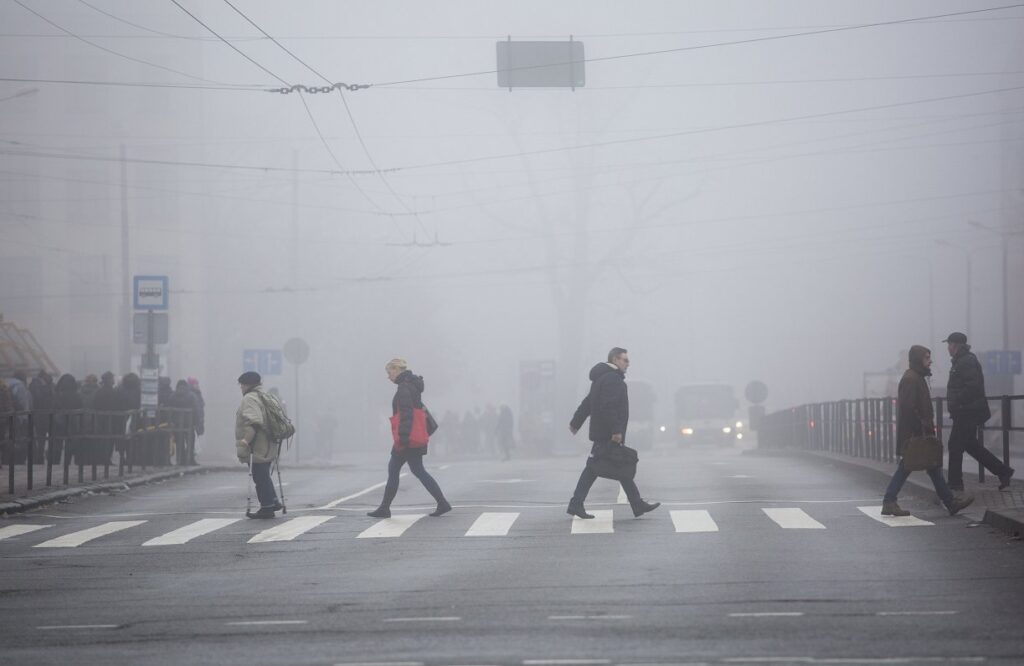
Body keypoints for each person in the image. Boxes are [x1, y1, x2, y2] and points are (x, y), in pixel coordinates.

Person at [567, 347, 660, 520]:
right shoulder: (612, 380)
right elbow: (608, 406)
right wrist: (616, 431)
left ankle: (636, 503)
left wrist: (576, 422)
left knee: (618, 466)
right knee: (601, 467)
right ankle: (576, 504)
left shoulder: (601, 379)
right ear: (615, 360)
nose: (628, 363)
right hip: (607, 433)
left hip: (603, 431)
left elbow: (588, 403)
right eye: (625, 360)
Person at [882, 346, 974, 516]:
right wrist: (921, 429)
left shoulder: (916, 377)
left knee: (931, 466)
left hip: (918, 431)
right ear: (918, 360)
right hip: (916, 433)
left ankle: (950, 502)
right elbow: (909, 408)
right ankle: (889, 501)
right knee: (910, 466)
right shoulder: (911, 378)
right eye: (926, 358)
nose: (930, 361)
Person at [367, 359, 451, 519]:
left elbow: (406, 415)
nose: (388, 376)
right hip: (412, 437)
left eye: (389, 372)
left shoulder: (404, 388)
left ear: (397, 369)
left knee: (395, 469)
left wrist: (403, 438)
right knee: (417, 470)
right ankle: (442, 502)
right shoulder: (411, 385)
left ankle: (385, 508)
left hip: (407, 438)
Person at [944, 332, 1015, 491]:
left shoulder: (966, 361)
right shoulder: (961, 361)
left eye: (949, 344)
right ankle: (1003, 471)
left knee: (955, 445)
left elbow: (973, 386)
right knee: (970, 445)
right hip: (966, 410)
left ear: (955, 345)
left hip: (967, 411)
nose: (947, 348)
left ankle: (955, 484)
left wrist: (957, 401)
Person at [235, 371, 282, 519]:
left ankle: (267, 507)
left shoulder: (250, 399)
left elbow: (254, 422)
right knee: (264, 474)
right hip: (269, 442)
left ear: (247, 385)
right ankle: (273, 501)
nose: (241, 388)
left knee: (259, 476)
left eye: (242, 385)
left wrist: (245, 441)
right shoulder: (266, 396)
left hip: (257, 444)